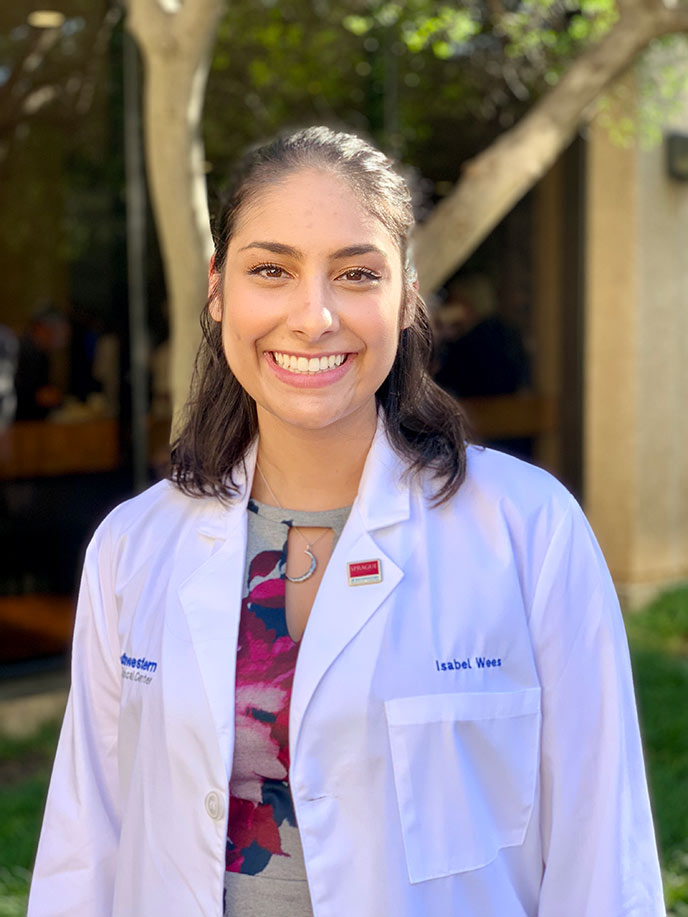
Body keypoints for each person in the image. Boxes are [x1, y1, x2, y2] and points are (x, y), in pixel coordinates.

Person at [28, 127, 664, 917]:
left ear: (405, 296)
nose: (314, 315)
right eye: (272, 270)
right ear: (219, 288)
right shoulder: (133, 545)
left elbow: (603, 854)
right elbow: (85, 846)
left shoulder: (529, 531)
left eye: (357, 273)